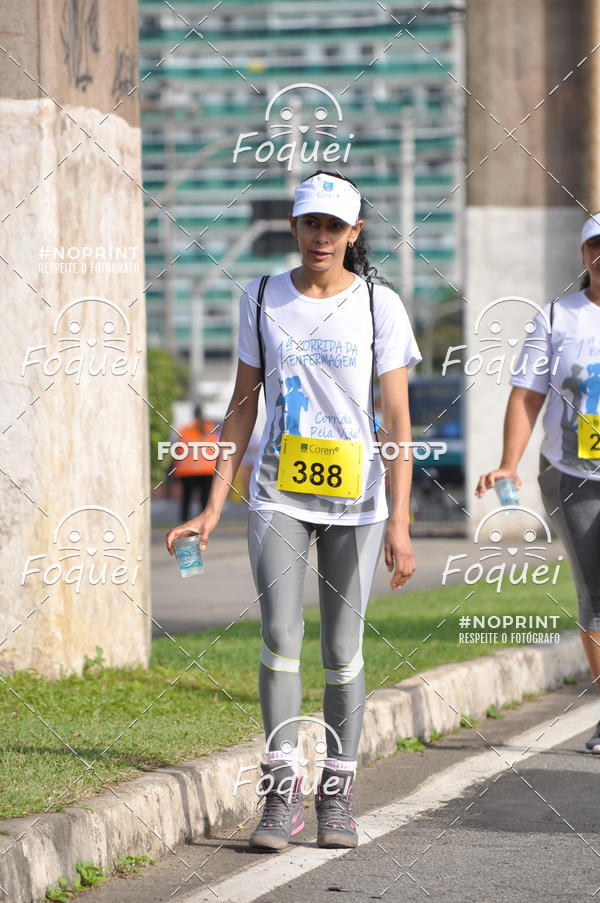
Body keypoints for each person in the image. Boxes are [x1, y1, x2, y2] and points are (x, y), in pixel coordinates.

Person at [167, 170, 421, 850]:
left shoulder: (379, 305)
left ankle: (336, 789)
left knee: (342, 648)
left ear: (354, 233)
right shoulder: (260, 298)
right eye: (311, 223)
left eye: (334, 226)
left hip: (359, 503)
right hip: (278, 494)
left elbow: (397, 415)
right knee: (280, 636)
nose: (321, 236)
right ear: (295, 226)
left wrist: (399, 519)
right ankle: (281, 794)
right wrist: (214, 504)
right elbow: (242, 406)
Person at [476, 212, 600, 752]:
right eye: (597, 247)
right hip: (571, 476)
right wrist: (508, 462)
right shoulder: (556, 317)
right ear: (584, 256)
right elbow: (528, 395)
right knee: (595, 599)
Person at [171, 404, 217, 522]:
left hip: (187, 471)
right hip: (206, 470)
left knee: (186, 499)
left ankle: (184, 522)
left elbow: (178, 450)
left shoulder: (185, 430)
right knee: (204, 499)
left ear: (194, 415)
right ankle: (203, 522)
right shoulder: (209, 429)